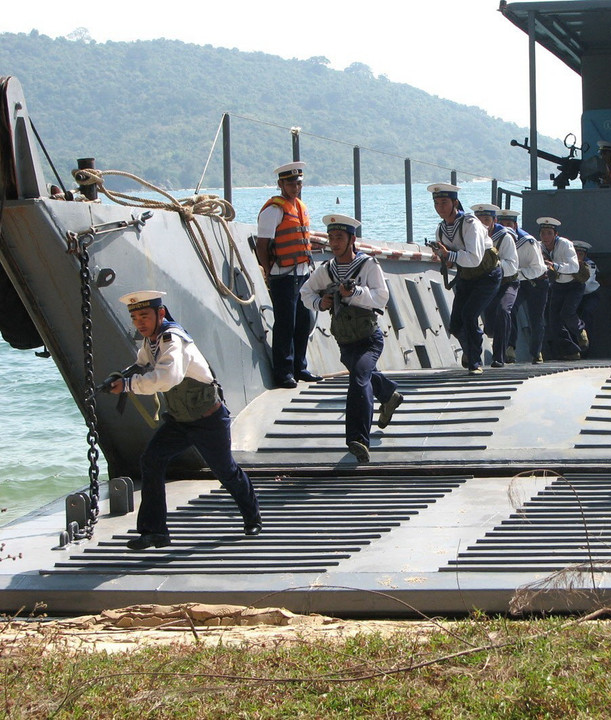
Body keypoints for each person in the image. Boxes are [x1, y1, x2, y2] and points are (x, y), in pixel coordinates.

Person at [110, 291, 262, 550]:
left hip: (208, 420)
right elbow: (142, 362)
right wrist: (121, 376)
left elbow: (166, 379)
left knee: (225, 471)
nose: (139, 323)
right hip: (179, 421)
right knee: (151, 460)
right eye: (135, 318)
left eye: (144, 316)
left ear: (160, 313)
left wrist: (127, 385)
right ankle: (154, 531)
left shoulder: (173, 340)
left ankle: (252, 517)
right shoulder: (152, 340)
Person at [300, 215, 402, 463]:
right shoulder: (326, 270)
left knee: (358, 380)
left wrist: (355, 292)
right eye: (331, 238)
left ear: (351, 239)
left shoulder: (368, 266)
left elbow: (381, 298)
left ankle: (358, 440)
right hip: (345, 341)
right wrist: (320, 302)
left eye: (339, 237)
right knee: (362, 374)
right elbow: (305, 292)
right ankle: (388, 394)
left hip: (369, 339)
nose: (334, 243)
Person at [256, 162, 319, 389]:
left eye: (298, 183)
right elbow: (262, 245)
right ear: (281, 184)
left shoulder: (300, 206)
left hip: (302, 273)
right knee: (285, 324)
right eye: (291, 183)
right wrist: (267, 271)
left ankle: (299, 367)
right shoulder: (274, 210)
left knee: (303, 321)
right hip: (283, 275)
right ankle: (283, 372)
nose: (295, 187)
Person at [428, 183, 502, 374]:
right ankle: (470, 349)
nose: (440, 207)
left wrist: (449, 255)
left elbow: (474, 259)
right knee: (455, 324)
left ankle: (474, 362)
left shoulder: (470, 224)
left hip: (487, 276)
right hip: (467, 276)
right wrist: (444, 258)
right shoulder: (441, 229)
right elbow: (454, 261)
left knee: (469, 315)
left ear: (455, 203)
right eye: (436, 203)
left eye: (444, 202)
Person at [472, 204, 520, 368]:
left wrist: (493, 264)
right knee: (490, 326)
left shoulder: (504, 237)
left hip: (507, 282)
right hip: (487, 283)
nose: (483, 224)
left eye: (486, 220)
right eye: (479, 220)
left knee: (503, 310)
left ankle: (499, 356)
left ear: (494, 220)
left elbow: (512, 266)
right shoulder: (471, 237)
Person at [500, 208, 549, 364]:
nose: (505, 227)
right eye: (502, 224)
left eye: (508, 224)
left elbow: (538, 269)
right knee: (509, 309)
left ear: (515, 225)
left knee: (536, 317)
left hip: (536, 282)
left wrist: (515, 273)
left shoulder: (527, 242)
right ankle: (510, 347)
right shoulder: (499, 240)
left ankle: (536, 352)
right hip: (517, 282)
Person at [539, 217, 585, 361]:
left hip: (574, 284)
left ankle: (580, 331)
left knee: (567, 313)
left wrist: (555, 266)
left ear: (555, 234)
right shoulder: (539, 247)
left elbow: (574, 267)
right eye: (543, 233)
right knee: (554, 321)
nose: (546, 237)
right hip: (558, 285)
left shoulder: (565, 244)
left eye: (549, 233)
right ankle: (571, 350)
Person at [573, 240, 599, 356]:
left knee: (587, 316)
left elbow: (585, 282)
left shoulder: (590, 265)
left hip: (589, 295)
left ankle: (587, 350)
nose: (578, 256)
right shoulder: (568, 264)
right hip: (574, 296)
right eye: (576, 253)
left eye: (581, 254)